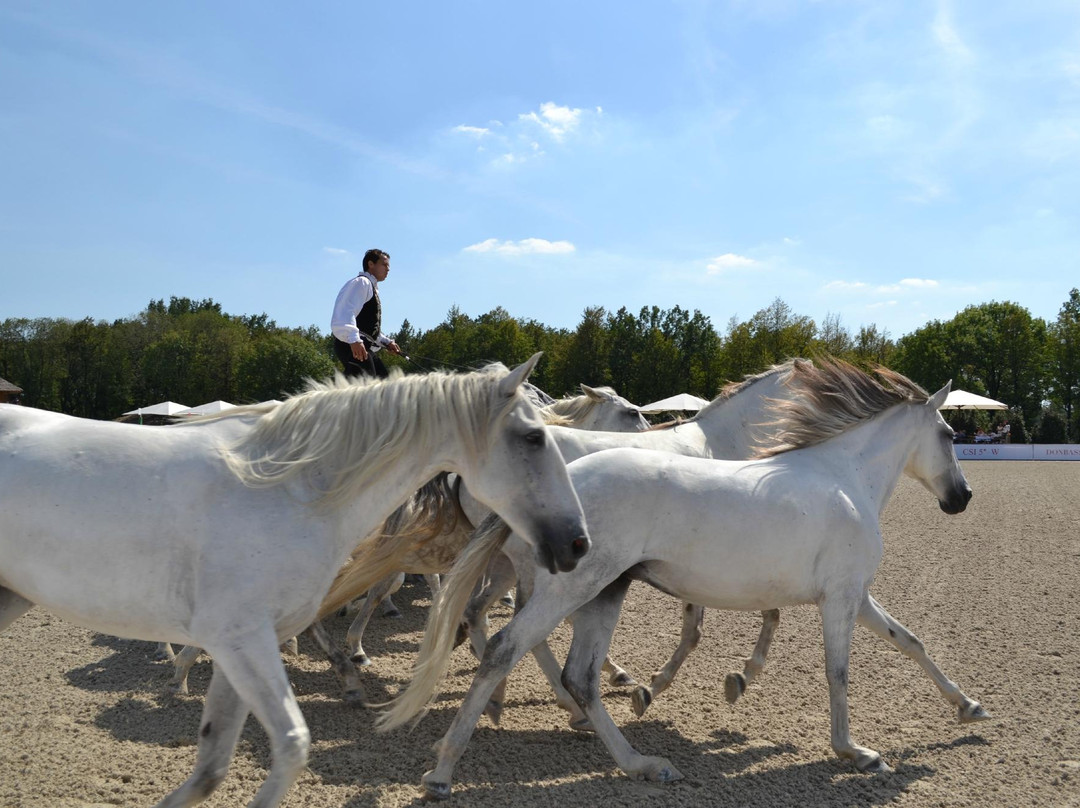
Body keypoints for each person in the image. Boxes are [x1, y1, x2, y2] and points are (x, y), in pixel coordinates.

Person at [330, 248, 402, 378]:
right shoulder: (362, 283)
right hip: (351, 344)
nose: (388, 269)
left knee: (384, 380)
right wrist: (354, 340)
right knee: (369, 386)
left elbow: (367, 328)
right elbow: (345, 312)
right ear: (371, 264)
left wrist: (387, 342)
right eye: (384, 264)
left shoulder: (371, 288)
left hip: (360, 345)